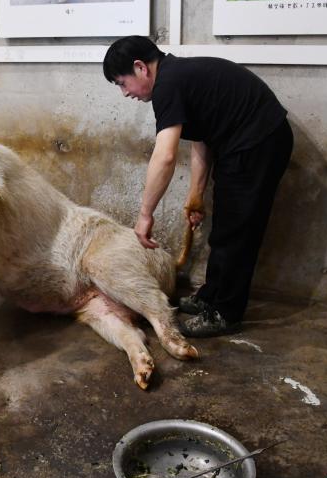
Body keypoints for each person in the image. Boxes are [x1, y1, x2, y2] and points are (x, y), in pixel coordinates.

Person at [103, 36, 293, 337]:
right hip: (245, 143)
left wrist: (145, 215)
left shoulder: (168, 84)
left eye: (122, 83)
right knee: (226, 226)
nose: (125, 93)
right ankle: (211, 296)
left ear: (141, 68)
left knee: (237, 231)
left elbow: (165, 157)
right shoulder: (177, 76)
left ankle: (225, 313)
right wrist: (196, 194)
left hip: (259, 143)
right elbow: (202, 139)